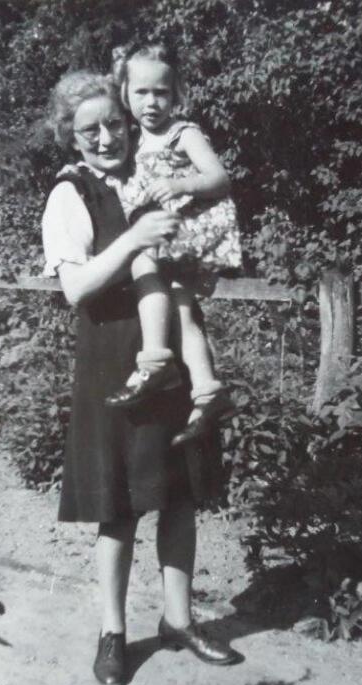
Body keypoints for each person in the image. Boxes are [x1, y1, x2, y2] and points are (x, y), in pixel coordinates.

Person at [42, 70, 241, 685]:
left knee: (180, 494)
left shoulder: (153, 171)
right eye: (90, 129)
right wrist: (134, 238)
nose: (106, 138)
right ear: (70, 138)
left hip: (171, 355)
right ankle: (113, 633)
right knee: (120, 508)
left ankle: (179, 620)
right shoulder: (69, 194)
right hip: (114, 356)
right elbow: (75, 287)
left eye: (113, 124)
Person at [105, 43, 242, 447]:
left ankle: (154, 360)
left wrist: (181, 183)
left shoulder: (183, 133)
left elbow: (220, 178)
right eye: (141, 92)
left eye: (161, 92)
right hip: (170, 234)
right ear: (125, 93)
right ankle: (206, 390)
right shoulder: (130, 139)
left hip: (192, 225)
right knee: (183, 310)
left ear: (175, 94)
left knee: (140, 258)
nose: (151, 102)